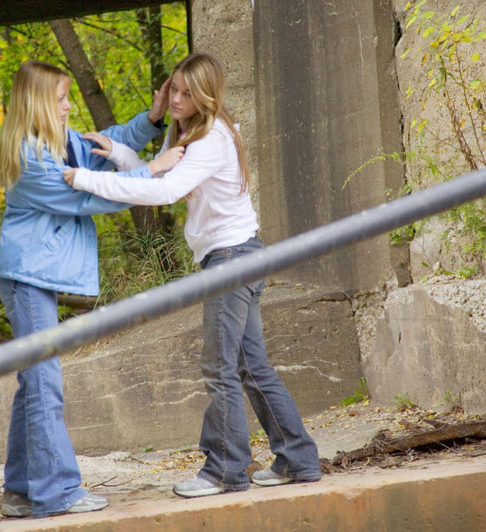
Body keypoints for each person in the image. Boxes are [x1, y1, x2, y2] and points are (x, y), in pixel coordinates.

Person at [64, 52, 322, 498]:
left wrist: (85, 178)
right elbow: (161, 172)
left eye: (187, 92)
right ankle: (297, 459)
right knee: (250, 366)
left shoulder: (212, 139)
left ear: (205, 95)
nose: (178, 98)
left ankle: (226, 470)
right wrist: (123, 152)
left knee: (220, 368)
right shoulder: (190, 132)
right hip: (237, 255)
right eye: (174, 89)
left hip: (232, 259)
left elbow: (164, 191)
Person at [0, 60, 182, 518]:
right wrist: (152, 171)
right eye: (59, 98)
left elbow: (107, 148)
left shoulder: (61, 142)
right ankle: (58, 493)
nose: (67, 104)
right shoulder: (29, 155)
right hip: (27, 276)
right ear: (38, 101)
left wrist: (152, 121)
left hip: (36, 274)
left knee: (33, 383)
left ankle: (20, 491)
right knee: (45, 385)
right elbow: (88, 197)